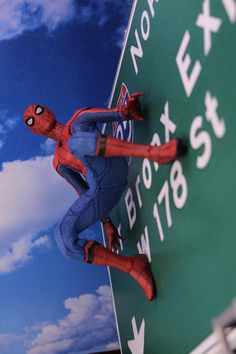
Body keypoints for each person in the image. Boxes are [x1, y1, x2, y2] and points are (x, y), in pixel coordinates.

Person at [23, 93, 185, 301]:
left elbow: (118, 114)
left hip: (113, 166)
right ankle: (133, 265)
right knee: (63, 239)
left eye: (38, 110)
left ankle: (154, 153)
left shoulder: (79, 118)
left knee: (77, 143)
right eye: (31, 121)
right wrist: (107, 223)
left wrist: (127, 110)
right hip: (102, 190)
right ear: (34, 131)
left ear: (48, 109)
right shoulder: (58, 163)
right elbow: (83, 192)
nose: (38, 117)